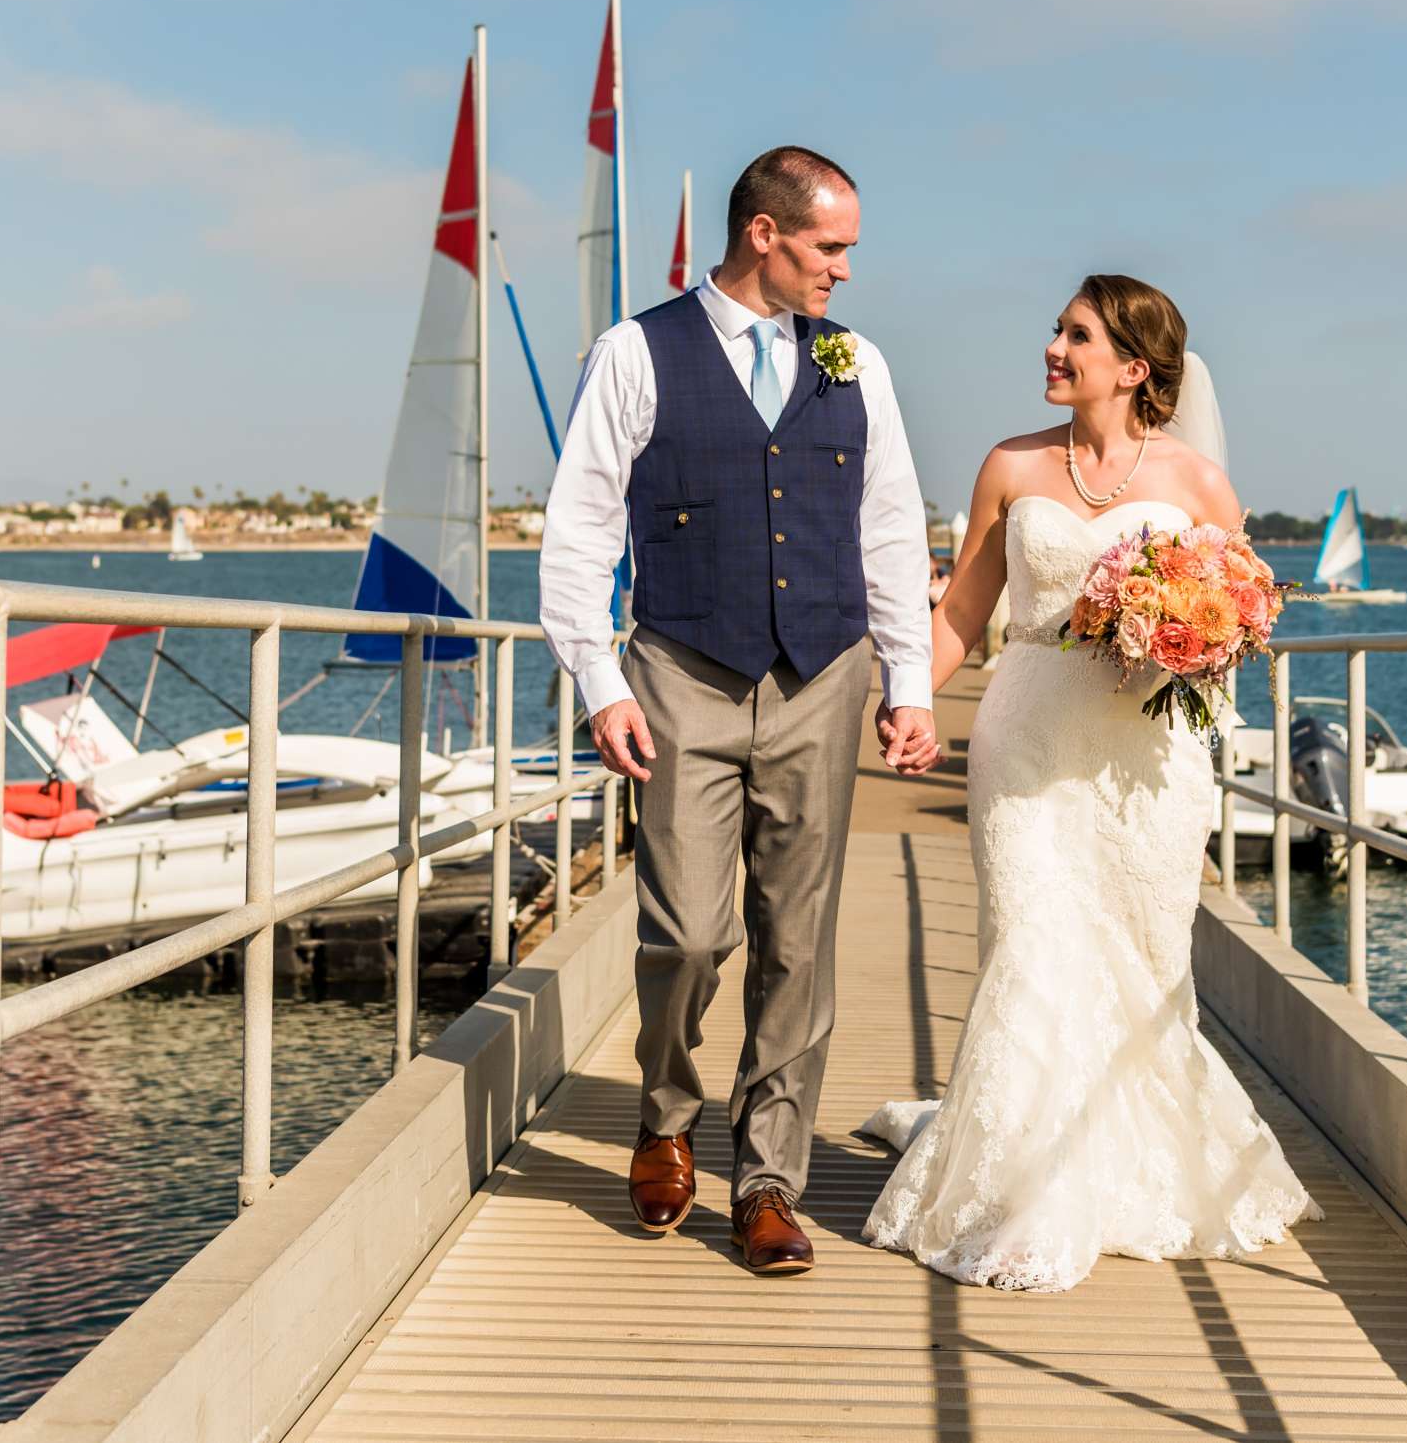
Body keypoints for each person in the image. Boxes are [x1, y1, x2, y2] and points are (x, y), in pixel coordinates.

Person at [860, 274, 1319, 1292]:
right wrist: (907, 699)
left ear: (1133, 367)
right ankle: (1021, 1195)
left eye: (1076, 335)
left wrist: (1182, 640)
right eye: (1058, 330)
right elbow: (962, 608)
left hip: (1146, 757)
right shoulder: (1010, 464)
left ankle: (1128, 1172)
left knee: (1140, 961)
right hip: (1025, 732)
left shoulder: (1198, 485)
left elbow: (1240, 624)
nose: (1052, 347)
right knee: (1029, 942)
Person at [538, 146, 939, 1277]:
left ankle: (766, 1180)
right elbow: (579, 528)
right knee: (691, 933)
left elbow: (891, 527)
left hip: (822, 675)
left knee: (798, 942)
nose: (844, 271)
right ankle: (666, 1115)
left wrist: (908, 684)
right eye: (829, 247)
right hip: (680, 673)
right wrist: (600, 684)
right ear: (763, 234)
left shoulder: (860, 365)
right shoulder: (637, 352)